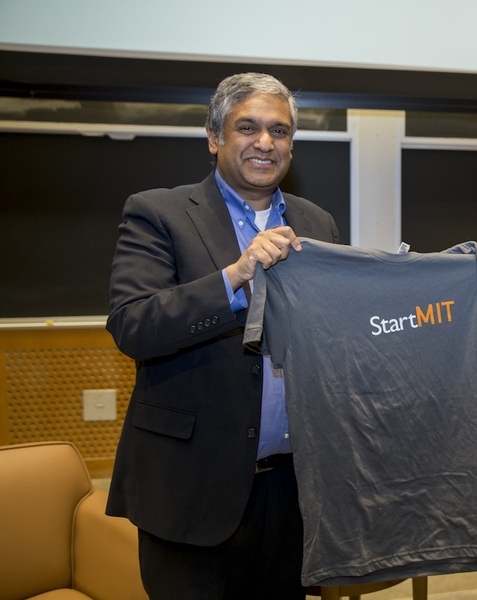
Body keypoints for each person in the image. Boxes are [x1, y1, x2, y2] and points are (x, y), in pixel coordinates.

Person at [105, 72, 340, 599]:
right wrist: (235, 277)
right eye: (248, 128)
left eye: (279, 132)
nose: (265, 143)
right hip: (191, 490)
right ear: (214, 138)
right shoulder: (157, 213)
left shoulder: (316, 222)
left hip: (291, 493)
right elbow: (133, 324)